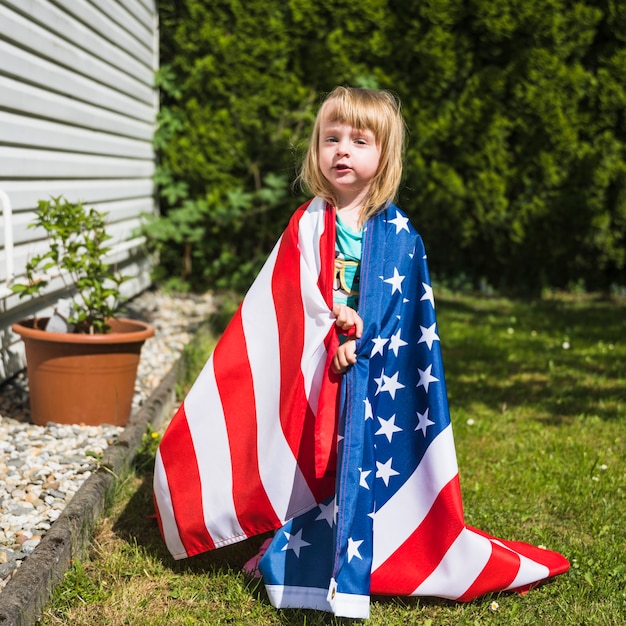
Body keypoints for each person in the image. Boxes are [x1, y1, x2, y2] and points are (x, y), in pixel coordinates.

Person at [153, 87, 569, 619]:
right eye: (331, 139)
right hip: (317, 364)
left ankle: (370, 545)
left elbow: (404, 311)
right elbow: (290, 296)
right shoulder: (307, 224)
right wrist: (330, 326)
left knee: (357, 458)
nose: (342, 150)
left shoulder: (399, 235)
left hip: (374, 373)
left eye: (358, 140)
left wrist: (363, 339)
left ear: (384, 157)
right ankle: (286, 540)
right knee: (310, 453)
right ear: (316, 150)